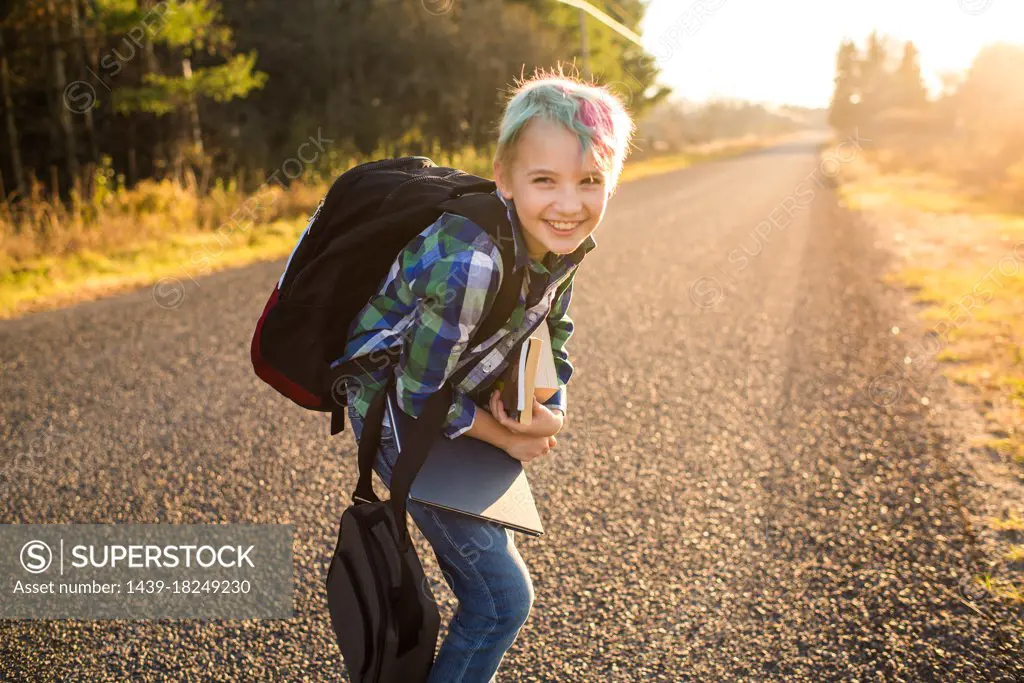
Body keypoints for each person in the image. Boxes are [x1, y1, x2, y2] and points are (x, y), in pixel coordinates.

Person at [336, 68, 635, 682]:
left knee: (496, 592)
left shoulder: (558, 243)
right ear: (504, 177)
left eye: (590, 181)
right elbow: (416, 394)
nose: (569, 203)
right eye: (545, 180)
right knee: (500, 602)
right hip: (398, 418)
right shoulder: (472, 262)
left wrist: (555, 405)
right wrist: (507, 437)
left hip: (450, 394)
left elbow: (553, 331)